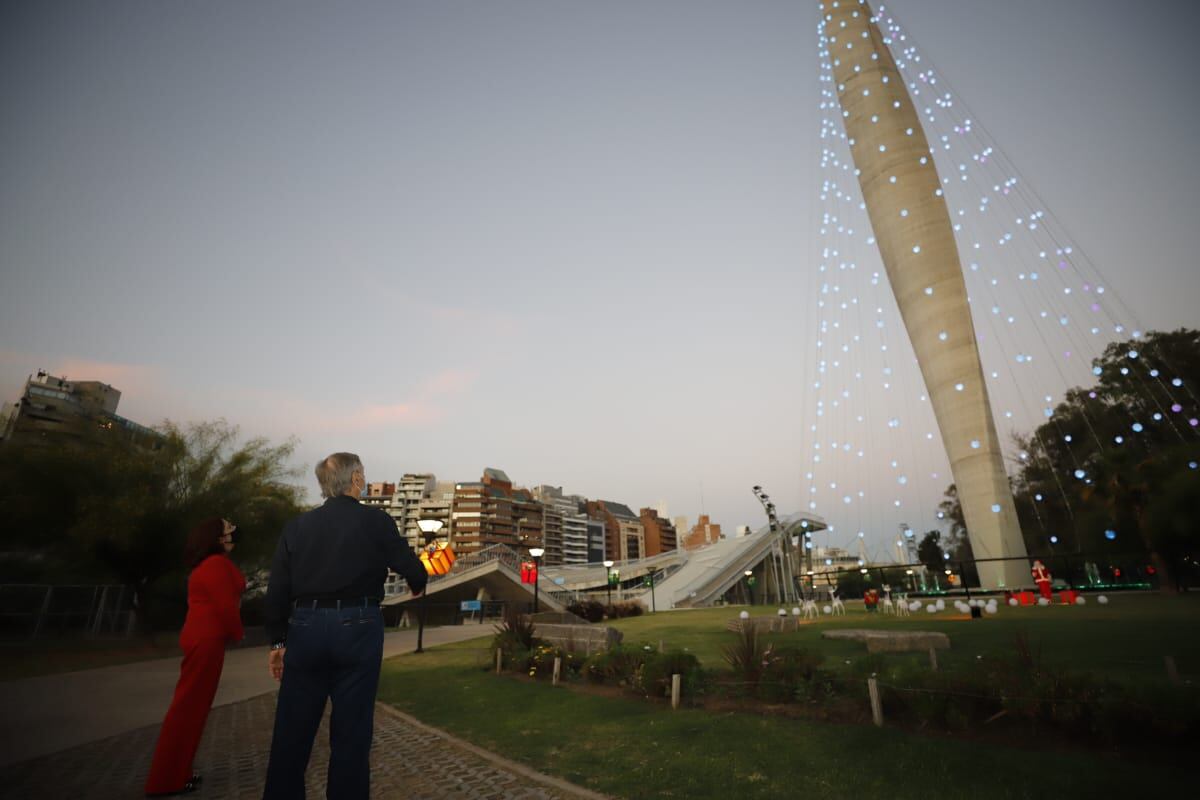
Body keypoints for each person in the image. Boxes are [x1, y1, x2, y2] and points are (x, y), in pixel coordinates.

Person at [262, 452, 427, 800]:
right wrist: (417, 582)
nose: (364, 479)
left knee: (292, 732)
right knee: (351, 734)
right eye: (362, 474)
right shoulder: (376, 521)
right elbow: (412, 569)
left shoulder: (297, 526)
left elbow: (277, 589)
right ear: (354, 480)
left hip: (304, 627)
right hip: (358, 626)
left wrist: (278, 641)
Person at [145, 518, 245, 797]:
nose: (232, 531)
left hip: (203, 636)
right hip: (206, 638)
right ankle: (166, 779)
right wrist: (238, 633)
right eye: (227, 528)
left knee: (193, 708)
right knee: (188, 708)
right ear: (215, 538)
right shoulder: (215, 566)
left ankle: (179, 772)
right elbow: (225, 605)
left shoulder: (211, 564)